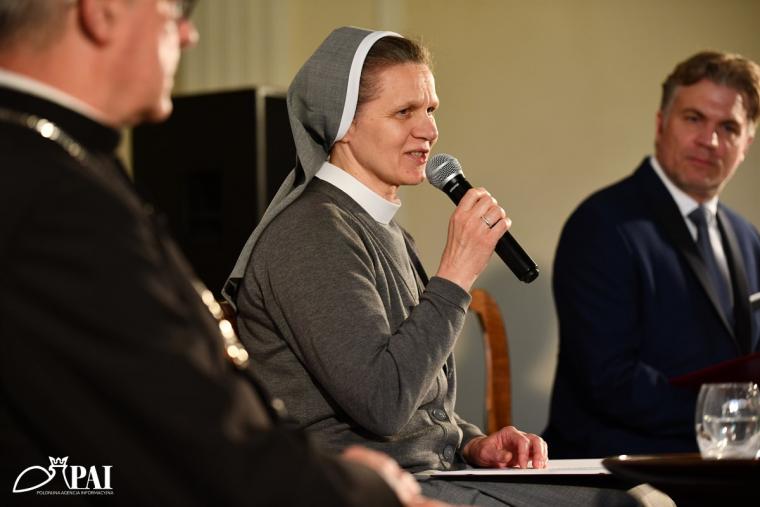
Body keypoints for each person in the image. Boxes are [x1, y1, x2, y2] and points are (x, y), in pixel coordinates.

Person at [0, 2, 445, 505]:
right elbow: (187, 436)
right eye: (175, 10)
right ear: (103, 12)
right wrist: (367, 491)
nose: (189, 35)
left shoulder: (61, 161)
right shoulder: (53, 195)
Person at [225, 26, 639, 507]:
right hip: (361, 491)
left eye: (430, 110)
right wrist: (456, 273)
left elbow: (415, 397)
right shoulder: (311, 234)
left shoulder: (380, 228)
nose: (429, 131)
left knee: (637, 495)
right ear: (343, 125)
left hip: (433, 475)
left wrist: (470, 442)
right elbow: (382, 403)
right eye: (404, 112)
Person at [543, 51, 760, 458]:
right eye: (694, 119)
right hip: (614, 469)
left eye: (728, 127)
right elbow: (608, 380)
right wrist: (733, 415)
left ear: (746, 143)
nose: (710, 141)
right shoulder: (601, 224)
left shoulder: (748, 237)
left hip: (724, 468)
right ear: (661, 123)